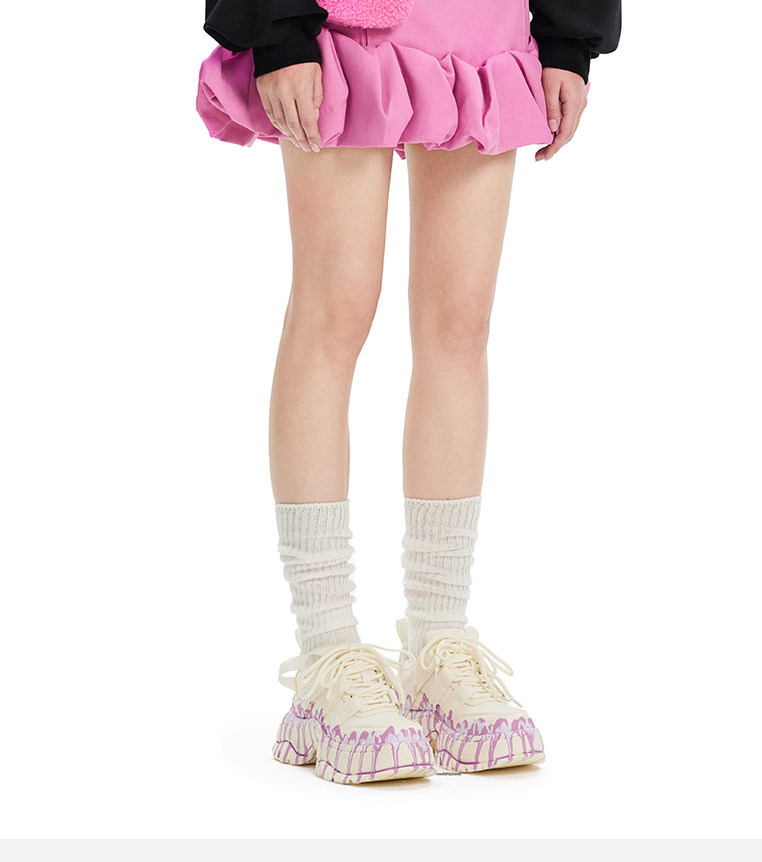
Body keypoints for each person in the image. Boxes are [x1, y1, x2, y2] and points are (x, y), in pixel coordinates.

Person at [196, 0, 621, 784]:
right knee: (335, 311)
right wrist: (276, 29)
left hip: (481, 27)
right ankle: (328, 652)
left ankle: (439, 641)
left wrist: (571, 36)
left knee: (461, 324)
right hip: (342, 25)